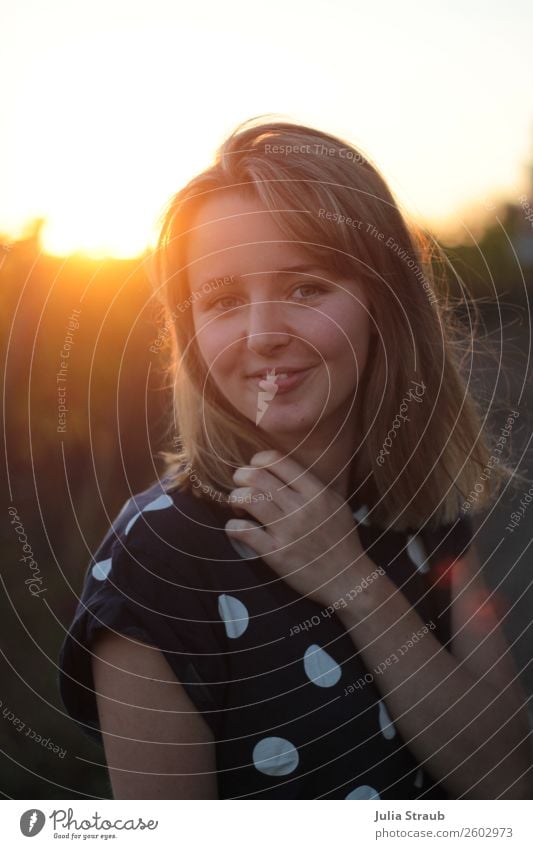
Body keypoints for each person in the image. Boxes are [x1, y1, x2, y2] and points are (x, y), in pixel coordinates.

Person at [58, 116, 532, 800]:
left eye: (306, 287)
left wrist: (354, 582)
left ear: (385, 302)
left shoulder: (424, 509)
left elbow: (510, 784)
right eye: (221, 301)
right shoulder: (160, 556)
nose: (260, 335)